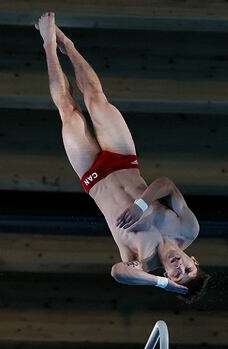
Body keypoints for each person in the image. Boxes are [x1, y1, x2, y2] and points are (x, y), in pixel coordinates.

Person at [35, 12, 209, 303]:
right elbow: (166, 184)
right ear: (194, 260)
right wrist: (142, 204)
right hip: (124, 158)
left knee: (69, 109)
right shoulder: (188, 228)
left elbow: (118, 273)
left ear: (169, 276)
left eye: (178, 275)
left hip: (92, 174)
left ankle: (49, 46)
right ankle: (69, 44)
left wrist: (159, 284)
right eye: (188, 268)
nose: (180, 267)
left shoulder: (142, 259)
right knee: (95, 97)